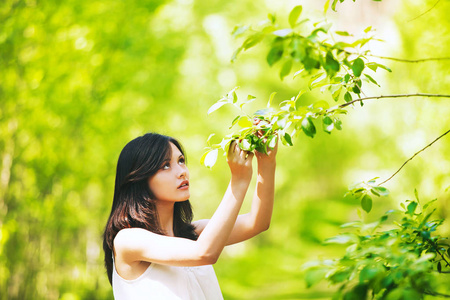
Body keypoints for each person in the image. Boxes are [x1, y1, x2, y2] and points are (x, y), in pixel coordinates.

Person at [102, 132, 277, 299]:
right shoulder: (128, 240)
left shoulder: (194, 233)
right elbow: (205, 253)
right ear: (139, 178)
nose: (182, 171)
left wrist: (266, 161)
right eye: (165, 165)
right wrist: (238, 181)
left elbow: (257, 222)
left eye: (181, 161)